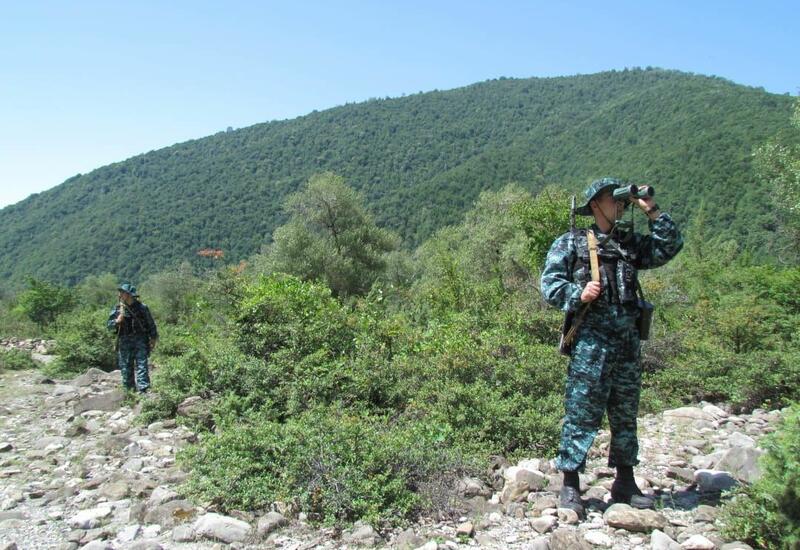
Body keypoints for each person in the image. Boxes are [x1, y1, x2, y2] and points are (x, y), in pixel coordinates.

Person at [540, 177, 683, 516]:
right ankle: (570, 484)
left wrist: (651, 211)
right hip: (591, 345)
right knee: (581, 413)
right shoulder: (572, 243)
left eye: (621, 199)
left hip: (627, 345)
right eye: (612, 199)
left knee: (625, 414)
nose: (619, 205)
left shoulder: (629, 244)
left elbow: (669, 247)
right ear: (595, 205)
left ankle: (625, 482)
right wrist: (578, 294)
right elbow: (549, 284)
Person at [107, 283, 158, 393]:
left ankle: (144, 390)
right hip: (124, 341)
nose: (120, 294)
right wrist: (117, 321)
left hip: (140, 340)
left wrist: (153, 338)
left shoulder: (142, 308)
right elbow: (109, 325)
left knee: (142, 365)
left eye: (122, 292)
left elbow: (150, 324)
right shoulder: (118, 309)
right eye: (120, 292)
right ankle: (129, 392)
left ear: (129, 294)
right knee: (126, 366)